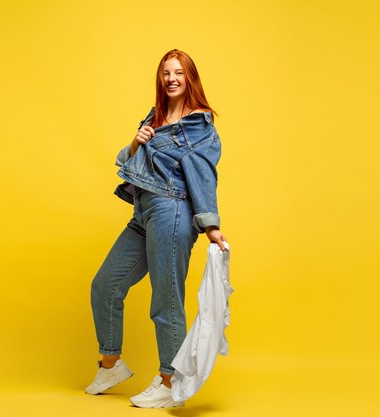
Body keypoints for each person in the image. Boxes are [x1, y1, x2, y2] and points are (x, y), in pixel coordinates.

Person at [85, 49, 227, 408]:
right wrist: (137, 140)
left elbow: (202, 176)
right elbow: (127, 160)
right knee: (105, 285)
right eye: (166, 73)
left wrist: (210, 226)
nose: (172, 79)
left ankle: (170, 380)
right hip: (143, 211)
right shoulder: (156, 116)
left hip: (172, 210)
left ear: (190, 77)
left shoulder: (199, 126)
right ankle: (110, 364)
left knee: (165, 299)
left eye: (179, 72)